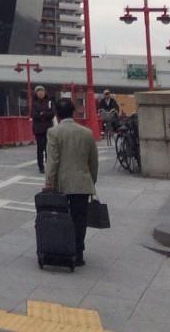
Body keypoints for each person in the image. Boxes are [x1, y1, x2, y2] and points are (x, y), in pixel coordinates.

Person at [44, 97, 98, 267]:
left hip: (63, 183)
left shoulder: (54, 132)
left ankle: (64, 250)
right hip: (82, 183)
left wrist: (49, 182)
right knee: (80, 219)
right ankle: (79, 252)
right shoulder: (87, 133)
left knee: (61, 218)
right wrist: (91, 180)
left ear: (57, 114)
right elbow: (93, 161)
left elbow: (53, 161)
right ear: (73, 112)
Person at [30, 85, 56, 173]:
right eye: (39, 92)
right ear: (36, 93)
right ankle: (41, 166)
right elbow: (34, 115)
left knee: (48, 148)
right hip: (38, 129)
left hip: (48, 128)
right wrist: (45, 114)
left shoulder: (49, 102)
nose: (41, 93)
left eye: (42, 91)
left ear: (45, 92)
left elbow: (52, 113)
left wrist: (42, 113)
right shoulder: (34, 103)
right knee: (40, 148)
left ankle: (49, 165)